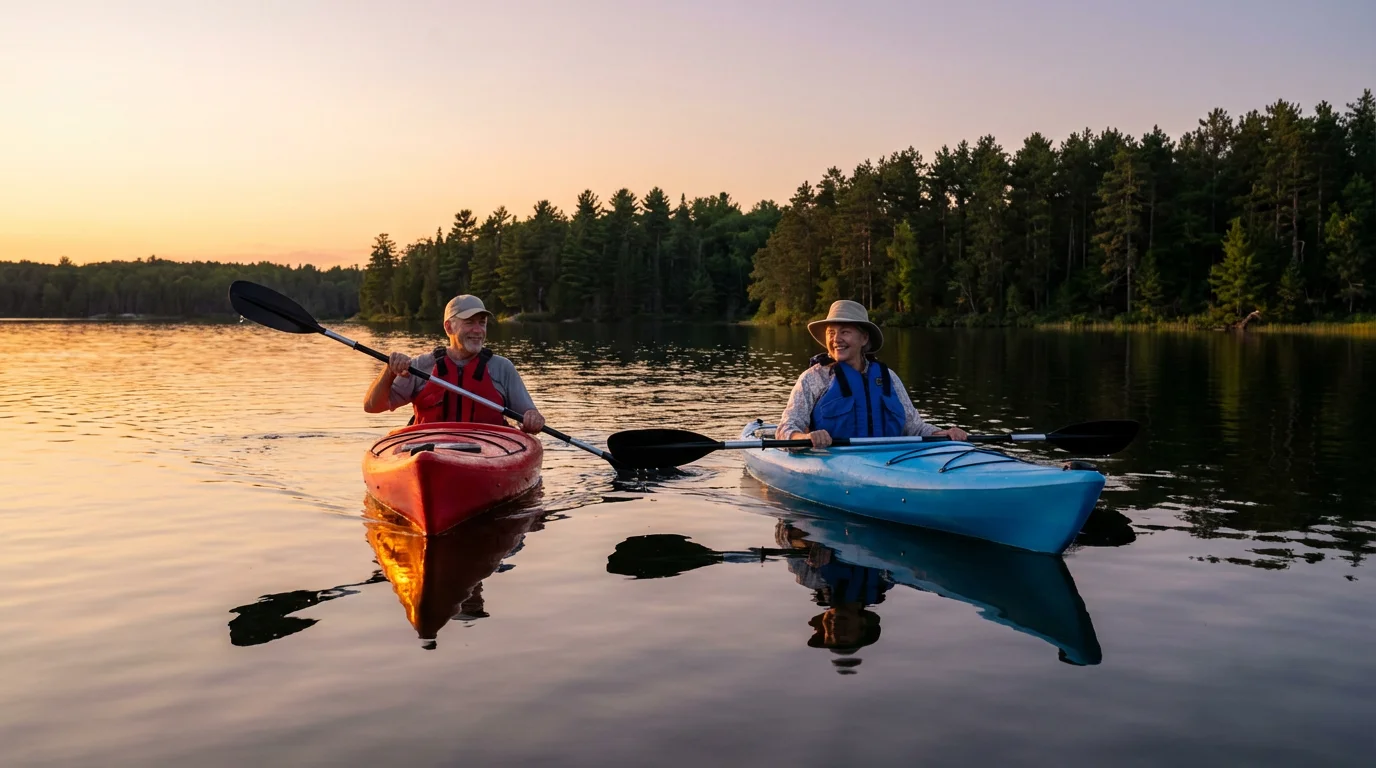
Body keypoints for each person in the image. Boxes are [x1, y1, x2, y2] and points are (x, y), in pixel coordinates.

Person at [779, 300, 967, 447]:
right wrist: (805, 436)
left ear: (864, 338)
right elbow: (786, 428)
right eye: (831, 333)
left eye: (844, 332)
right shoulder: (813, 378)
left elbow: (914, 427)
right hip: (833, 463)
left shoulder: (888, 378)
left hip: (888, 462)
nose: (836, 339)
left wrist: (943, 433)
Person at [363, 294, 545, 434]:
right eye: (469, 322)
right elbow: (372, 406)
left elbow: (528, 415)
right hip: (428, 451)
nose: (478, 330)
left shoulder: (503, 368)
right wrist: (389, 371)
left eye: (482, 323)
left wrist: (532, 420)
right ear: (449, 327)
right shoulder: (420, 366)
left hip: (490, 452)